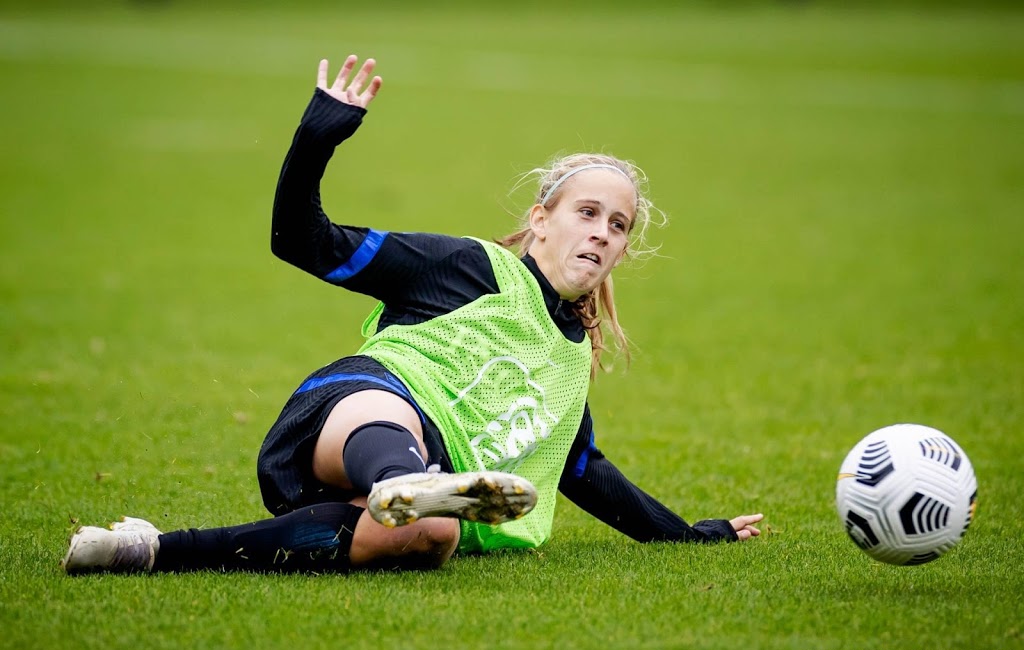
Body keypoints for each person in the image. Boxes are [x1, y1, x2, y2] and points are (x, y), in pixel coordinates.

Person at [62, 55, 764, 575]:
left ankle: (148, 549)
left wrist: (689, 536)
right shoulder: (468, 268)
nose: (603, 233)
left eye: (618, 225)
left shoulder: (570, 355)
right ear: (540, 220)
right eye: (587, 213)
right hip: (356, 410)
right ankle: (404, 478)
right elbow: (300, 241)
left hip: (416, 491)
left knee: (427, 539)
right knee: (400, 432)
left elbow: (581, 467)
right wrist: (315, 141)